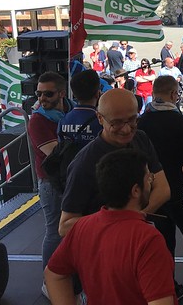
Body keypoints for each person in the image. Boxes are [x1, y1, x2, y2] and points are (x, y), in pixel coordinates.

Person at [46, 149, 176, 305]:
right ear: (136, 190)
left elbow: (54, 275)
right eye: (149, 178)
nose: (151, 182)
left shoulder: (82, 227)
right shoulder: (148, 240)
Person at [59, 88, 171, 238]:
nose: (126, 129)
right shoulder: (84, 163)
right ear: (99, 118)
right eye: (116, 123)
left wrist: (133, 220)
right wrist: (123, 223)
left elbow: (163, 189)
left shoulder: (140, 139)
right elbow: (65, 226)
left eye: (133, 120)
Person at [138, 76, 183, 300]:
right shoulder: (179, 121)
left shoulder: (143, 121)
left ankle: (168, 287)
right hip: (180, 191)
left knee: (163, 244)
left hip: (154, 193)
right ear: (173, 94)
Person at [27, 71, 73, 292]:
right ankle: (49, 282)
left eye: (48, 94)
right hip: (51, 184)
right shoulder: (37, 121)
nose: (42, 98)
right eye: (39, 94)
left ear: (62, 93)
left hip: (71, 179)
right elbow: (55, 154)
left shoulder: (72, 110)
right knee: (54, 232)